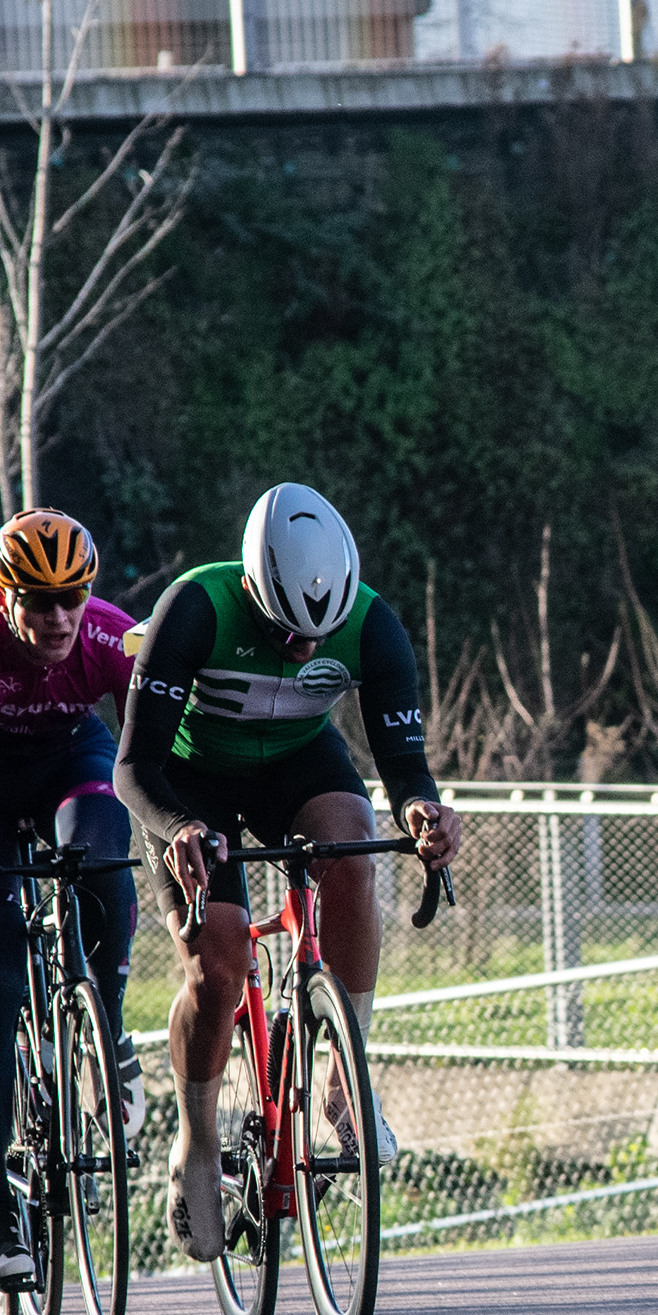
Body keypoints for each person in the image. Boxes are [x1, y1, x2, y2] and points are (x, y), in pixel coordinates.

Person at [114, 481, 463, 1263]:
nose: (305, 649)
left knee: (354, 851)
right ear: (251, 587)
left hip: (297, 764)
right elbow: (132, 768)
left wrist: (423, 812)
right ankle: (197, 1138)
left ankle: (345, 1081)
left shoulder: (373, 624)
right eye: (285, 632)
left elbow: (406, 768)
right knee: (219, 958)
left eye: (320, 635)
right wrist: (179, 827)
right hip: (190, 782)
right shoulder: (195, 609)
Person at [0, 509, 141, 1287]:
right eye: (40, 601)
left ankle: (107, 1023)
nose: (60, 617)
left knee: (103, 851)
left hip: (71, 761)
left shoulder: (115, 638)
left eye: (73, 596)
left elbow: (149, 763)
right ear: (3, 596)